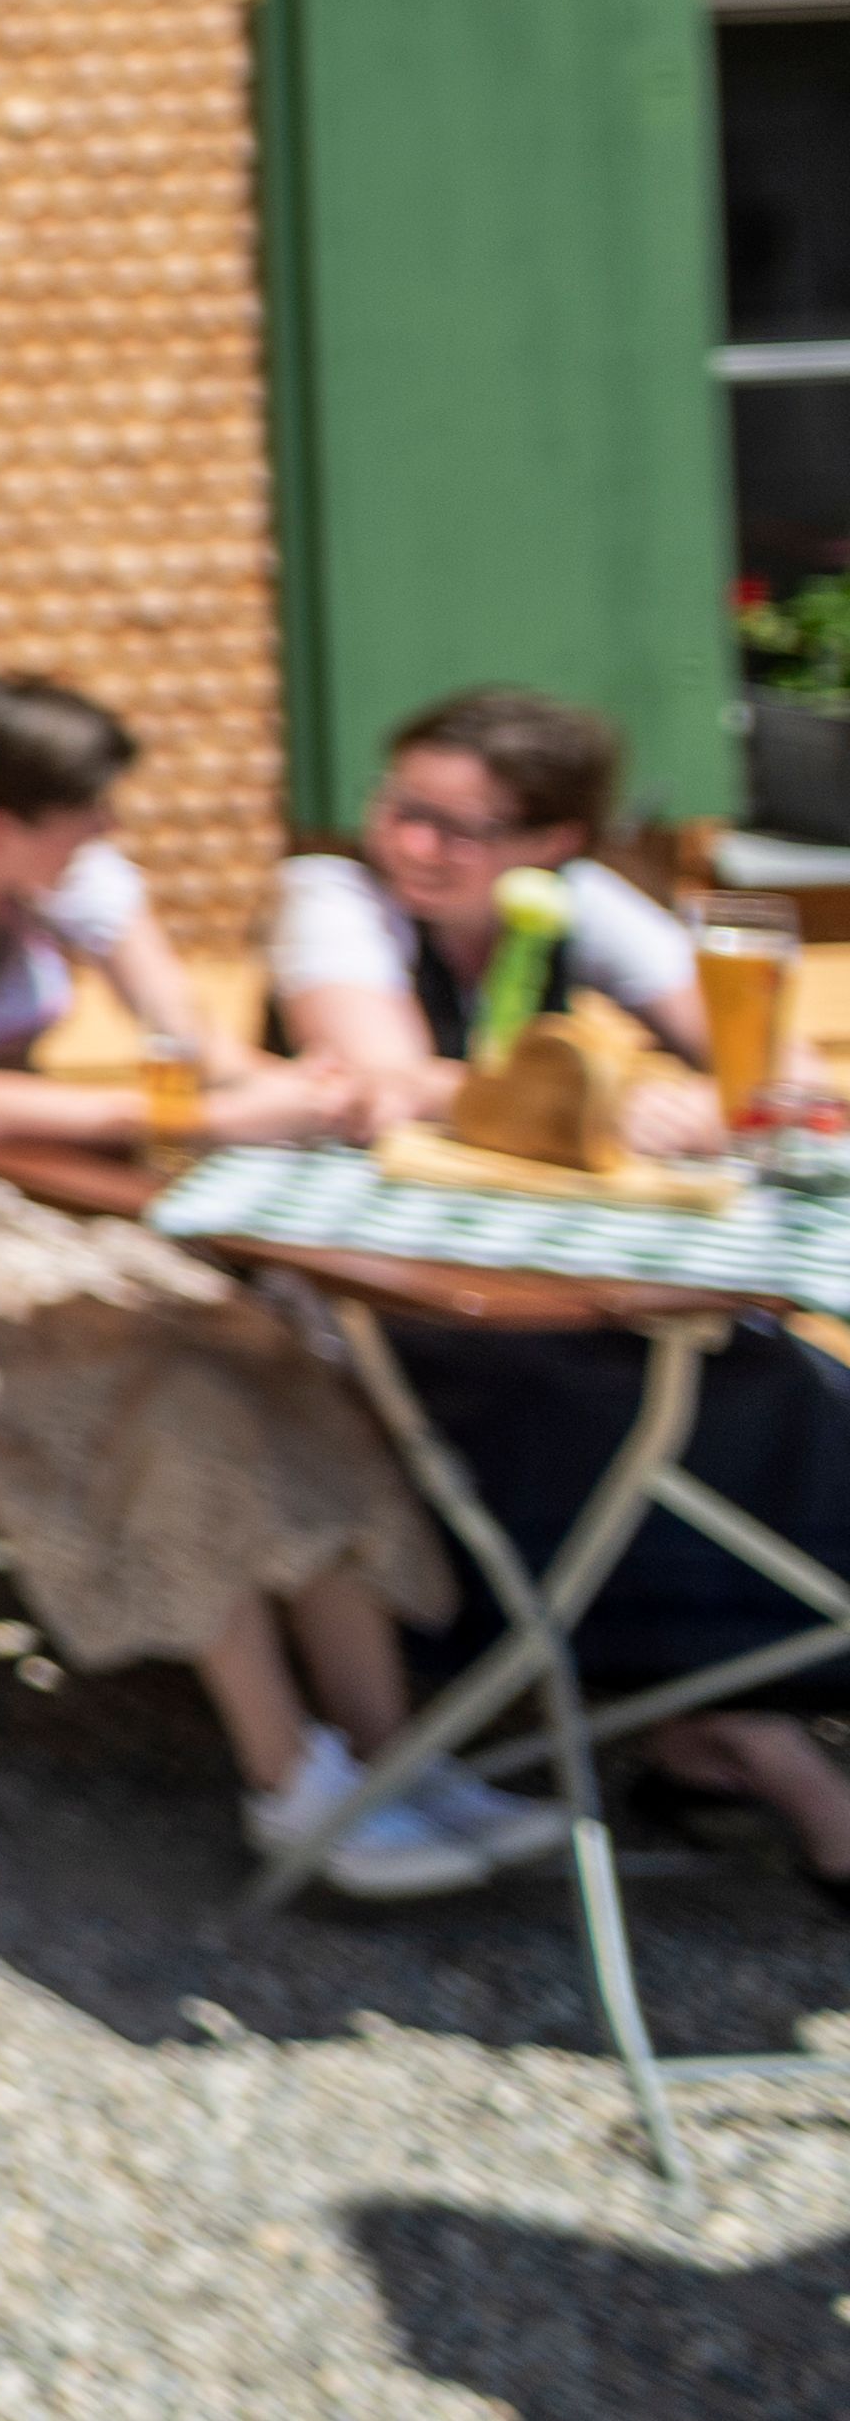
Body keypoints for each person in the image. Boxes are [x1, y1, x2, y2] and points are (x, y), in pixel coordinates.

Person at [0, 676, 531, 1897]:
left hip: (53, 1215)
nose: (108, 838)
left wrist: (292, 1089)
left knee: (278, 1353)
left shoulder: (66, 894)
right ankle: (289, 1780)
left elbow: (202, 1053)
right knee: (159, 1395)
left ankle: (393, 1758)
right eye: (88, 816)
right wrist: (199, 1108)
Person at [270, 686, 850, 1897]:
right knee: (646, 1406)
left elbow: (769, 1071)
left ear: (551, 843)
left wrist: (720, 1096)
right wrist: (604, 1098)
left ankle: (725, 1720)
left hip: (570, 1286)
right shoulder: (337, 900)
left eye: (454, 827)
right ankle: (752, 1733)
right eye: (401, 807)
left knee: (783, 1381)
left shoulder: (581, 906)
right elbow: (380, 1077)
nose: (411, 842)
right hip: (396, 1303)